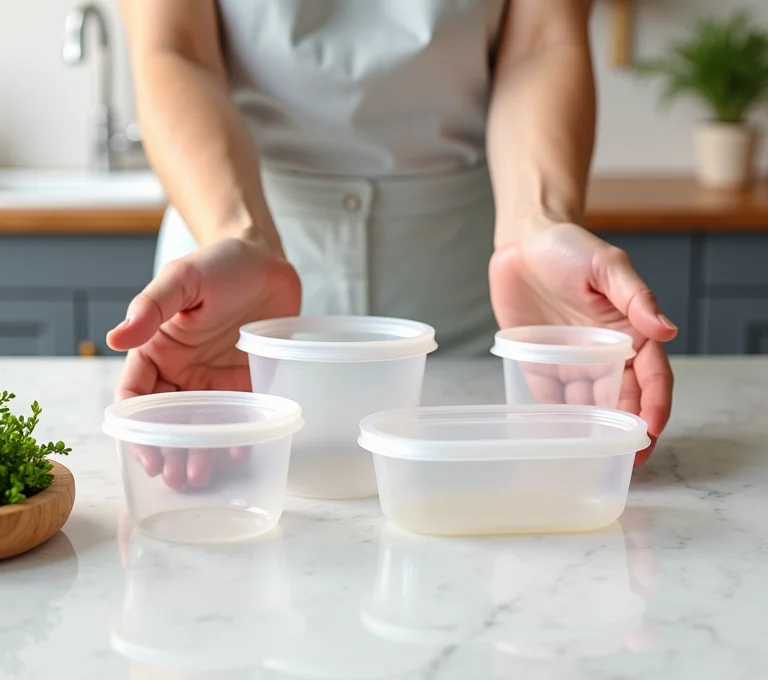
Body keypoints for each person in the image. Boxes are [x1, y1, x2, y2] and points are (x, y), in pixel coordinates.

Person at [108, 0, 676, 473]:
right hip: (231, 303)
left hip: (486, 287)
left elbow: (543, 43)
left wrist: (538, 224)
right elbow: (172, 49)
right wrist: (239, 233)